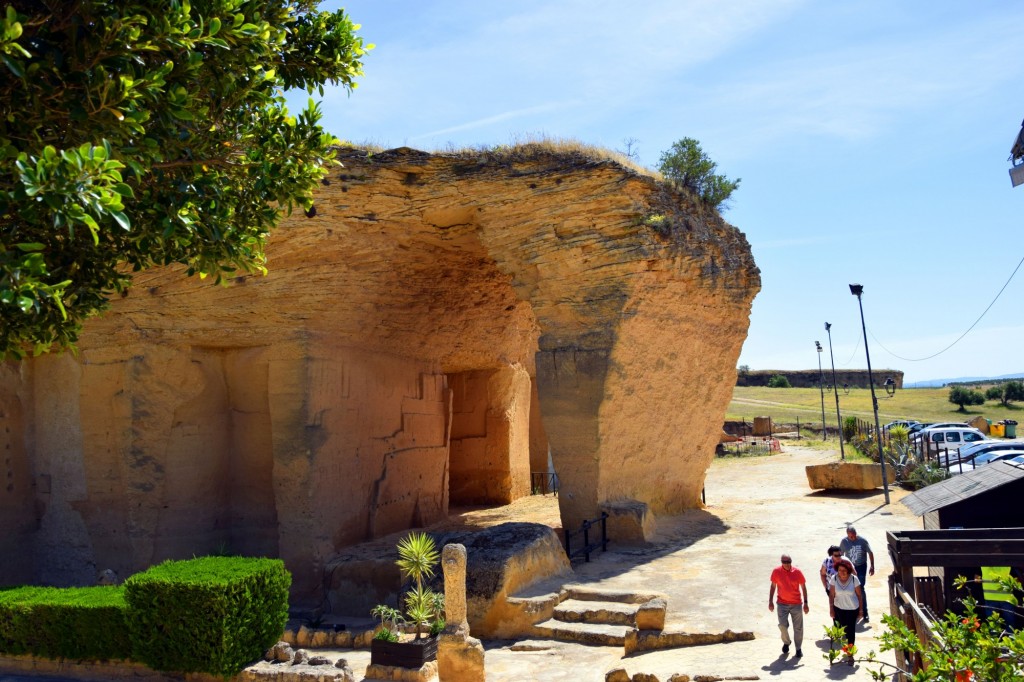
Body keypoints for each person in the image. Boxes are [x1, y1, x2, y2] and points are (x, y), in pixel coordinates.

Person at [769, 553, 809, 657]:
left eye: (788, 562)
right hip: (782, 604)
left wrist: (806, 603)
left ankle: (798, 648)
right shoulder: (776, 571)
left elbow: (803, 587)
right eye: (784, 562)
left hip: (796, 604)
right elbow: (773, 586)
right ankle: (786, 642)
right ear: (781, 562)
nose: (786, 564)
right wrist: (770, 601)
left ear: (791, 562)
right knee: (782, 625)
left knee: (798, 628)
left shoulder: (797, 572)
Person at [828, 559, 864, 666]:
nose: (842, 572)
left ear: (848, 570)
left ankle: (850, 655)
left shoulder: (854, 579)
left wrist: (861, 610)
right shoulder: (834, 579)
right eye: (840, 570)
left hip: (852, 609)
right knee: (842, 631)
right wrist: (831, 609)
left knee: (851, 632)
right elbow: (831, 594)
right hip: (838, 608)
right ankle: (844, 649)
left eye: (844, 570)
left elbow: (859, 595)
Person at [839, 526, 874, 621]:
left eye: (853, 536)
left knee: (861, 589)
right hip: (849, 568)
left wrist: (872, 566)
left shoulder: (863, 541)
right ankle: (854, 612)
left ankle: (865, 612)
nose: (852, 538)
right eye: (850, 537)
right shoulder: (844, 542)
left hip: (861, 567)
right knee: (851, 589)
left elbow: (870, 553)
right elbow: (840, 555)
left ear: (856, 533)